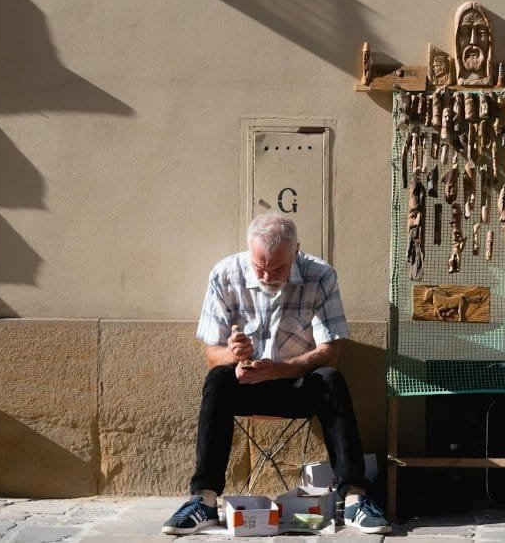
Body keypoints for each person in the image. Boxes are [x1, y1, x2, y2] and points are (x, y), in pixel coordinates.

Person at [162, 214, 391, 536]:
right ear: (248, 252)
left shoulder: (320, 275)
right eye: (260, 267)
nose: (268, 275)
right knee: (217, 379)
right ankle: (204, 498)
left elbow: (330, 351)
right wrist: (234, 356)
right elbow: (211, 354)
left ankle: (354, 496)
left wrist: (281, 369)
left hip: (296, 385)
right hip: (246, 384)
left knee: (330, 378)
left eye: (279, 268)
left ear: (296, 251)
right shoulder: (225, 273)